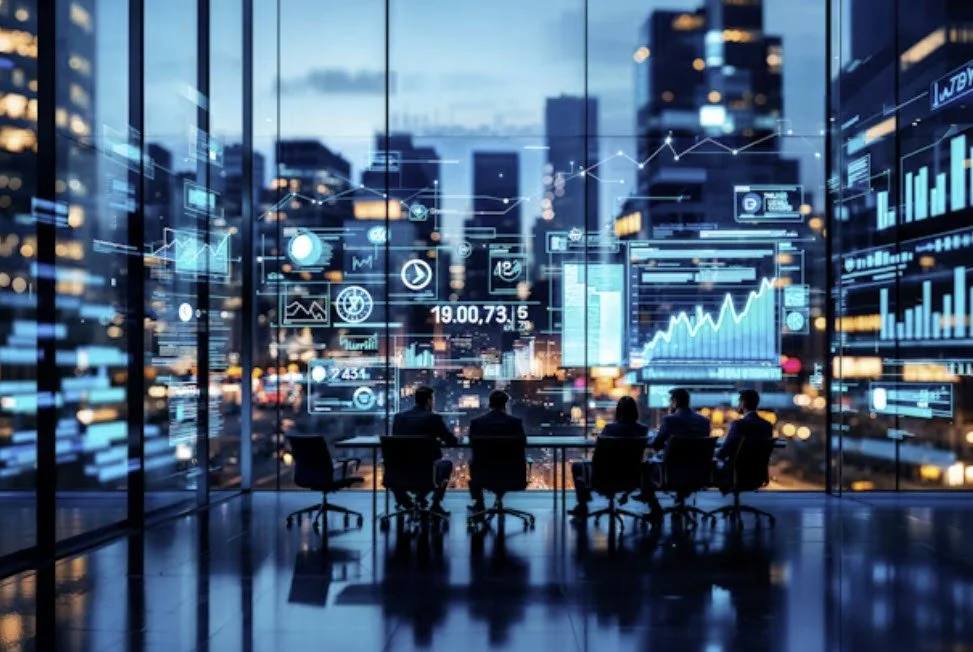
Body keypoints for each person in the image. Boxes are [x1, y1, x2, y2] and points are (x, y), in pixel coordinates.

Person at [634, 387, 711, 520]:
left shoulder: (670, 420)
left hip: (672, 472)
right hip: (698, 472)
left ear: (674, 401)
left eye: (671, 401)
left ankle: (654, 508)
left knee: (645, 466)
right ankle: (679, 500)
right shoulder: (704, 421)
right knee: (683, 464)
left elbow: (657, 444)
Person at [568, 396, 649, 517]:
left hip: (604, 477)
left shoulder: (610, 429)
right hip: (631, 478)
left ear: (618, 411)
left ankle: (583, 505)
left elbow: (597, 460)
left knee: (577, 466)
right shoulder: (643, 430)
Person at [390, 386, 458, 513]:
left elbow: (396, 441)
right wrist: (437, 441)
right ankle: (435, 505)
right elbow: (452, 441)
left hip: (400, 472)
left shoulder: (398, 418)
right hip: (427, 473)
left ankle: (407, 502)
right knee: (447, 465)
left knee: (413, 472)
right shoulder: (434, 418)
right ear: (429, 401)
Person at [467, 390, 526, 512]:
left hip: (483, 475)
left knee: (472, 462)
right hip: (512, 475)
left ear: (490, 404)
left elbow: (472, 444)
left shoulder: (477, 423)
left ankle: (479, 503)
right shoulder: (515, 423)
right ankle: (494, 501)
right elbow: (522, 444)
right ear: (505, 405)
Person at [715, 389, 774, 466]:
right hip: (759, 473)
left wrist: (715, 453)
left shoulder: (738, 425)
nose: (738, 405)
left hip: (737, 473)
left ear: (743, 403)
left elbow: (723, 452)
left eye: (739, 402)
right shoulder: (767, 425)